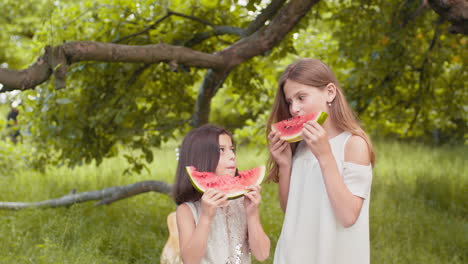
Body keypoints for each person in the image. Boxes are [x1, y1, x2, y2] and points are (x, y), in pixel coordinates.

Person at [267, 58, 375, 264]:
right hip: (294, 255)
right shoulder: (301, 145)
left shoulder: (353, 144)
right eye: (290, 101)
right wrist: (285, 165)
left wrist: (325, 156)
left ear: (330, 92)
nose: (294, 109)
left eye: (301, 97)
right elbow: (290, 208)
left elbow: (348, 216)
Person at [173, 124, 270, 264]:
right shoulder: (187, 210)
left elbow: (262, 254)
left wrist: (252, 213)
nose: (232, 156)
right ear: (201, 158)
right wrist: (205, 217)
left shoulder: (242, 202)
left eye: (232, 149)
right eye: (221, 150)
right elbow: (190, 260)